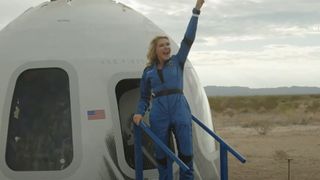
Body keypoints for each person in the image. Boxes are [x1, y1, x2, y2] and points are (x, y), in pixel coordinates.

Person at [133, 0, 205, 179]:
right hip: (159, 113)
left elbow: (188, 40)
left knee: (186, 153)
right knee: (162, 155)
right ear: (155, 50)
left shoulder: (177, 61)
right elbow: (144, 97)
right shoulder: (148, 71)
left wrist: (196, 11)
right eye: (162, 45)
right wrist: (139, 113)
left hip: (179, 109)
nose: (166, 47)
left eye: (167, 44)